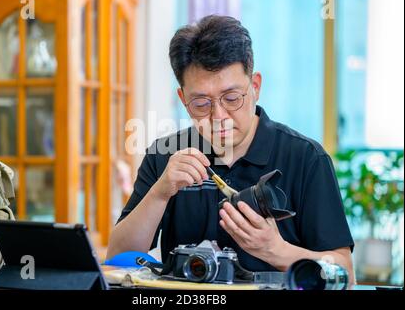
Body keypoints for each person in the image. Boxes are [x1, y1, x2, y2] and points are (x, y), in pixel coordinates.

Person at [106, 15, 355, 284]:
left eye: (232, 98)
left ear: (255, 87)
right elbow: (119, 257)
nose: (219, 116)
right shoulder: (166, 154)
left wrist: (276, 250)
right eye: (201, 103)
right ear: (183, 99)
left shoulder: (305, 158)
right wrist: (160, 192)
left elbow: (345, 273)